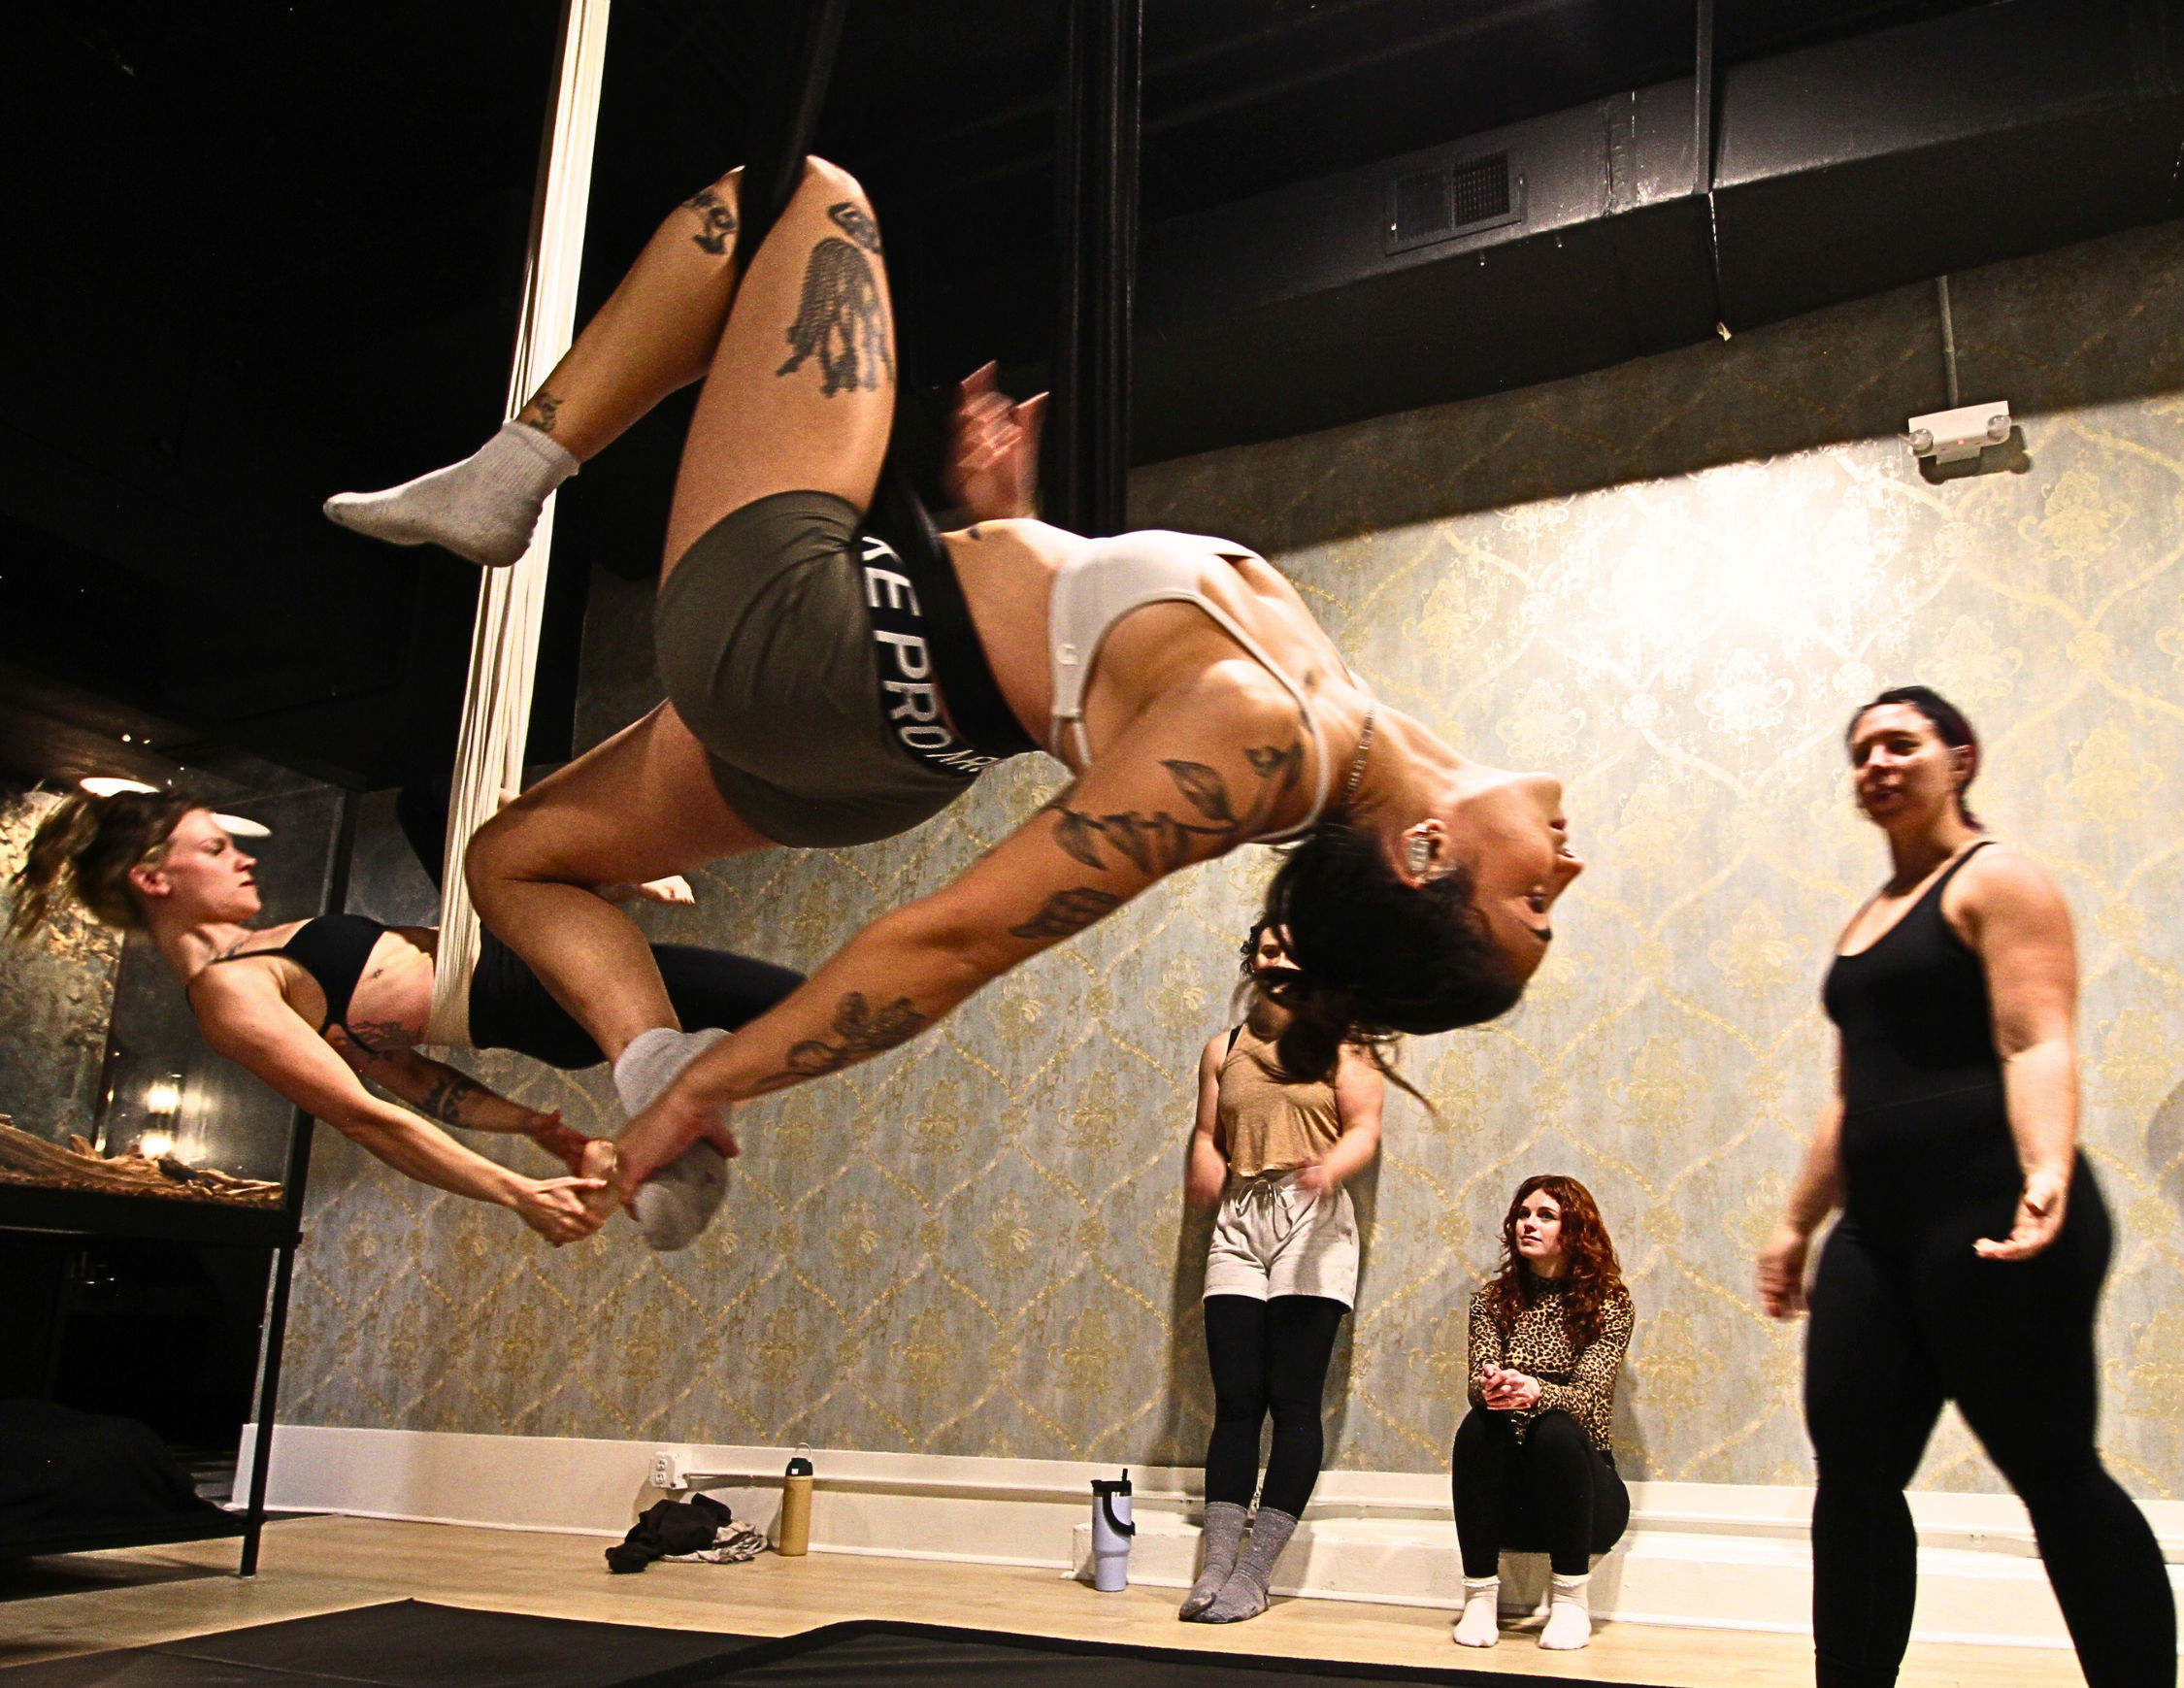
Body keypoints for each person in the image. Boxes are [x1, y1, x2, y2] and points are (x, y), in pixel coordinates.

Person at [322, 154, 1583, 1239]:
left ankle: (517, 466)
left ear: (1424, 853)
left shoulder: (1267, 744)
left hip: (819, 650)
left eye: (1527, 899)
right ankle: (648, 1048)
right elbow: (1071, 686)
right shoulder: (1320, 722)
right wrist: (1013, 532)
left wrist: (714, 1089)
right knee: (512, 860)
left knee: (803, 200)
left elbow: (952, 942)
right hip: (873, 742)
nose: (1564, 873)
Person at [1756, 685, 2174, 1688]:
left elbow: (2037, 1039)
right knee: (1852, 1478)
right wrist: (1794, 1222)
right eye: (1861, 751)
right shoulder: (1868, 918)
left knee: (2054, 1472)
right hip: (1877, 1234)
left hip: (1992, 1214)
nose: (1877, 763)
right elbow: (1850, 1097)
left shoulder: (1998, 878)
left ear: (1961, 756)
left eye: (1901, 742)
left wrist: (2045, 1169)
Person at [6, 790, 801, 1244]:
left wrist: (534, 1124)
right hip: (530, 994)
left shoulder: (267, 950)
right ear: (153, 881)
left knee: (444, 809)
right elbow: (372, 1115)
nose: (242, 857)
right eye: (214, 849)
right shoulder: (230, 995)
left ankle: (601, 903)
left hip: (514, 962)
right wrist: (518, 1192)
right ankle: (678, 1120)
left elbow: (414, 1076)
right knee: (797, 1001)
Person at [1178, 921, 1383, 1624]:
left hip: (1311, 1218)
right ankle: (1214, 1566)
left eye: (1296, 949)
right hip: (1239, 1217)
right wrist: (1204, 1160)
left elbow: (1364, 1127)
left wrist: (1333, 1165)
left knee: (1293, 1400)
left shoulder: (1344, 1044)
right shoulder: (1225, 1046)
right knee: (1236, 1400)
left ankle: (1255, 1573)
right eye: (1270, 950)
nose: (1281, 959)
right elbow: (1210, 1133)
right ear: (1254, 960)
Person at [1449, 1175, 1632, 1652]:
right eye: (1523, 1214)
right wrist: (1492, 1386)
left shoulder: (1609, 1302)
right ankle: (1479, 1598)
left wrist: (1535, 1391)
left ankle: (1571, 1601)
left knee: (1554, 1430)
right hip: (1512, 1500)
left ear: (1574, 1230)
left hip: (1586, 1499)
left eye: (1545, 1216)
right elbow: (1475, 1383)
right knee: (1478, 1424)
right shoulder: (1491, 1300)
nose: (1527, 1224)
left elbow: (1590, 1393)